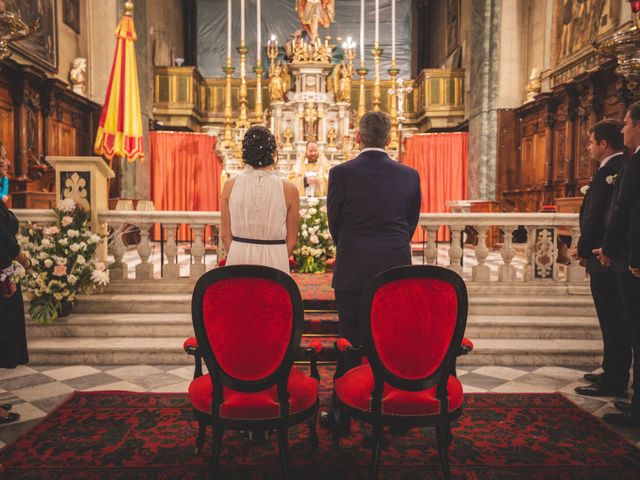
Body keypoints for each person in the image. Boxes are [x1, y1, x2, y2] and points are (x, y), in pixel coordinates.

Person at [327, 111, 421, 348]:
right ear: (389, 140)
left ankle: (348, 378)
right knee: (391, 332)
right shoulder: (410, 175)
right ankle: (387, 381)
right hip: (394, 264)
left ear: (358, 137)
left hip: (352, 264)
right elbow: (411, 220)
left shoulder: (340, 173)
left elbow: (333, 221)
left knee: (351, 334)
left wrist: (350, 244)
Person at [573, 120, 629, 398]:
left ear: (603, 144)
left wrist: (586, 247)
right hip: (604, 253)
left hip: (606, 257)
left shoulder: (613, 170)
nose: (588, 147)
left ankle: (615, 377)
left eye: (591, 142)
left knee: (613, 318)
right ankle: (611, 369)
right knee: (611, 318)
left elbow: (599, 215)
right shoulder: (620, 167)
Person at [593, 102, 640, 429]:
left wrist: (611, 250)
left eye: (627, 124)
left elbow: (625, 210)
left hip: (631, 260)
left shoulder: (634, 163)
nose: (624, 130)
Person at [220, 126, 300, 274]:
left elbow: (225, 236)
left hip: (238, 257)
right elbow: (292, 239)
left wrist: (240, 253)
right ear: (274, 154)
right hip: (275, 259)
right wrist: (277, 257)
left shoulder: (229, 186)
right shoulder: (290, 190)